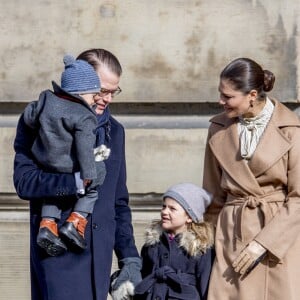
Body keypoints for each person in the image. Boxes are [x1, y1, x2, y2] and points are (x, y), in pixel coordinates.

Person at [13, 49, 142, 300]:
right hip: (58, 257)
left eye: (113, 92)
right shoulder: (39, 120)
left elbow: (118, 202)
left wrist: (129, 257)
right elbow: (24, 182)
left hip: (99, 262)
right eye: (102, 91)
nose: (107, 99)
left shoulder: (116, 132)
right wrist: (73, 184)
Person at [203, 57, 300, 300]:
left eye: (228, 96)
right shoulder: (218, 128)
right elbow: (212, 194)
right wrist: (206, 240)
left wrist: (263, 243)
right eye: (220, 94)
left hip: (278, 240)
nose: (221, 101)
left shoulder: (291, 129)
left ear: (252, 95)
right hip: (231, 235)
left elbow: (298, 198)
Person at [23, 54, 107, 256]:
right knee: (98, 176)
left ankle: (48, 224)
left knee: (53, 193)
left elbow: (29, 116)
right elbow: (84, 147)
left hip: (44, 161)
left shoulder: (45, 100)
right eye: (92, 95)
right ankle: (76, 220)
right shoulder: (84, 116)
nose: (95, 99)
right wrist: (88, 175)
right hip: (67, 165)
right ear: (80, 93)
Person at [125, 183, 214, 300]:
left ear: (189, 217)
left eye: (172, 209)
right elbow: (143, 278)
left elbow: (205, 288)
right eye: (164, 206)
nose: (164, 212)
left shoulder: (200, 248)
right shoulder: (152, 245)